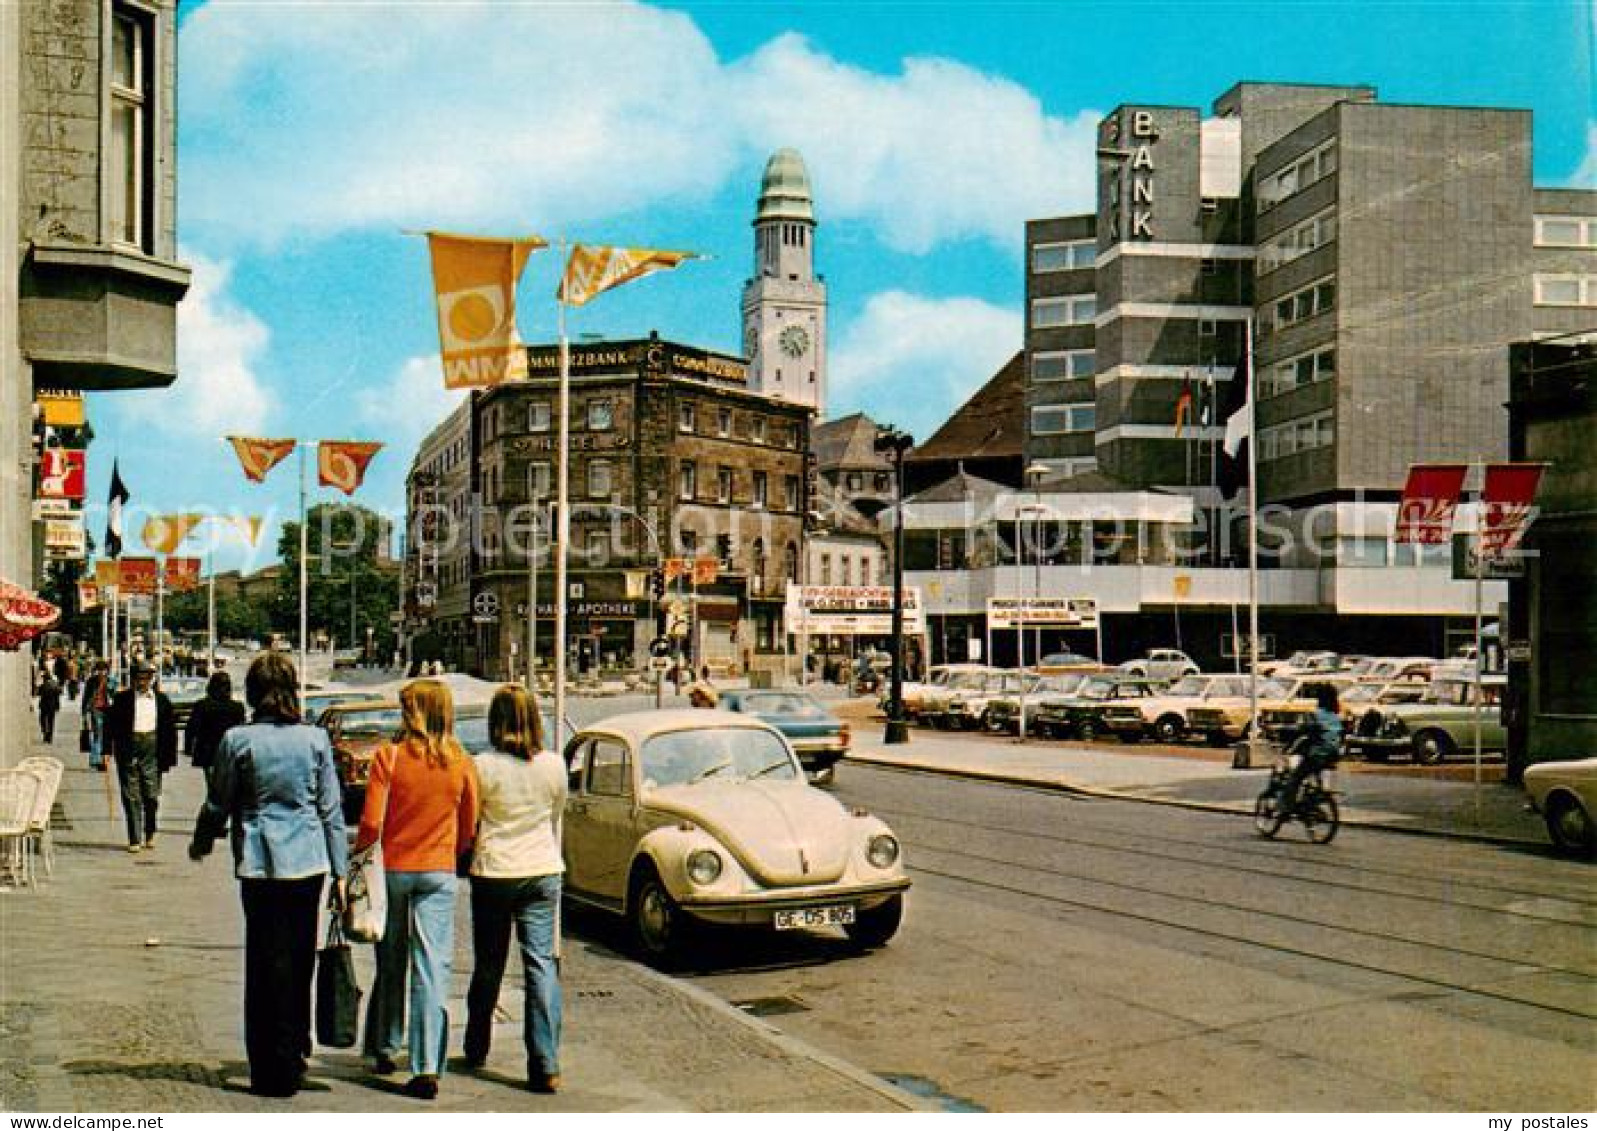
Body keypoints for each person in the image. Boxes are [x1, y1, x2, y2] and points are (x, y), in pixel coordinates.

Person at [189, 652, 348, 1098]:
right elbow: (331, 812)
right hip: (308, 862)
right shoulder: (315, 740)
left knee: (263, 962)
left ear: (254, 693)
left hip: (259, 862)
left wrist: (201, 841)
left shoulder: (238, 740)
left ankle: (267, 1064)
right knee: (299, 961)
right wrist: (340, 871)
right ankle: (295, 1050)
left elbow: (219, 802)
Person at [355, 678, 479, 1101]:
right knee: (432, 966)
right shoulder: (462, 762)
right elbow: (470, 823)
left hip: (393, 868)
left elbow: (371, 822)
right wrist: (453, 850)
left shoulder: (388, 757)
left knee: (390, 961)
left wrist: (360, 858)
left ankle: (384, 1045)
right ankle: (426, 1065)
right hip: (438, 869)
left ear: (414, 713)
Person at [463, 685, 566, 1093]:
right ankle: (545, 1061)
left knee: (489, 963)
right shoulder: (554, 765)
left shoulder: (481, 766)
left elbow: (472, 819)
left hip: (493, 868)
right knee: (540, 965)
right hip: (542, 868)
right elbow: (555, 813)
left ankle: (476, 1043)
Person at [103, 661, 178, 852]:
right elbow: (109, 726)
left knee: (151, 795)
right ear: (134, 679)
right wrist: (106, 750)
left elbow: (170, 731)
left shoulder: (162, 701)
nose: (143, 682)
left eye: (147, 678)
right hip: (129, 747)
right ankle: (134, 838)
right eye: (139, 678)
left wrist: (169, 757)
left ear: (151, 679)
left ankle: (150, 831)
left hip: (152, 749)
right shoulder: (122, 700)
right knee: (131, 795)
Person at [1278, 683, 1344, 815]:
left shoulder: (1315, 715)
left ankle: (1286, 808)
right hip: (1333, 754)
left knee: (1295, 778)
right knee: (1314, 774)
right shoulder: (1336, 717)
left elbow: (1301, 731)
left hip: (1317, 753)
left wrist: (1287, 740)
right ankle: (1315, 798)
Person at [186, 670, 247, 770]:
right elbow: (241, 730)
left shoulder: (202, 706)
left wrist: (188, 748)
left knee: (212, 782)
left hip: (207, 753)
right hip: (229, 752)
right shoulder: (237, 707)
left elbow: (192, 729)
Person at [80, 660, 111, 770]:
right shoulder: (91, 681)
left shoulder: (111, 681)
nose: (102, 673)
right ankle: (96, 759)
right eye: (100, 670)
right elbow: (86, 696)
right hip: (95, 709)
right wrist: (84, 711)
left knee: (107, 735)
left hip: (108, 709)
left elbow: (115, 695)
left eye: (104, 670)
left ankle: (103, 760)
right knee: (97, 733)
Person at [36, 672, 61, 743]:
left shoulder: (43, 685)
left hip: (44, 706)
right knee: (51, 721)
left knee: (42, 720)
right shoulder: (55, 685)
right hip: (52, 706)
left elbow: (38, 693)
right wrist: (57, 705)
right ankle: (50, 736)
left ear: (44, 678)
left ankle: (45, 733)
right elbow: (58, 694)